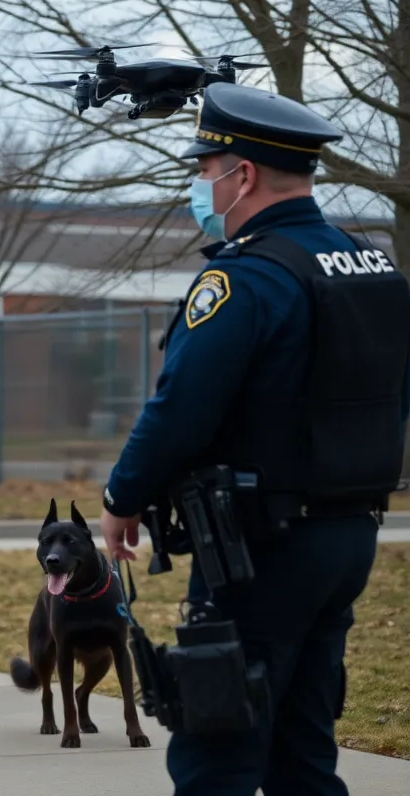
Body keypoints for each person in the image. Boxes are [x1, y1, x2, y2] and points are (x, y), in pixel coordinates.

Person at [98, 83, 410, 795]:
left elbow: (181, 408)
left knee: (221, 751)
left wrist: (122, 497)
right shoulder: (374, 271)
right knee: (304, 749)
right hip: (348, 534)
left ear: (241, 176)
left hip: (257, 547)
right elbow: (397, 397)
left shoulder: (245, 280)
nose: (199, 185)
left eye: (205, 171)